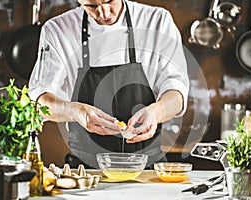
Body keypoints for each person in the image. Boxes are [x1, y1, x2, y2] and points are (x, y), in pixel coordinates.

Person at [28, 0, 189, 169]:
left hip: (148, 168)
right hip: (85, 170)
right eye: (92, 6)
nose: (104, 13)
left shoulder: (157, 21)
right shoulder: (58, 30)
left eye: (109, 1)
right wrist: (76, 112)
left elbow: (177, 92)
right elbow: (39, 102)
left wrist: (157, 112)